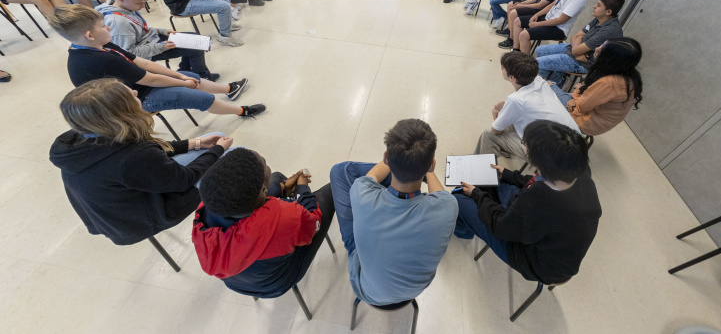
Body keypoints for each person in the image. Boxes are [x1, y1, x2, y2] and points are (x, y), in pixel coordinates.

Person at [50, 78, 234, 245]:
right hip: (143, 219)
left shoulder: (83, 136)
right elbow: (184, 179)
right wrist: (218, 151)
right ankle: (236, 221)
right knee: (234, 155)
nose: (136, 92)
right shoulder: (132, 157)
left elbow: (149, 151)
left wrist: (195, 143)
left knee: (214, 141)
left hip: (117, 215)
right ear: (123, 112)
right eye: (131, 95)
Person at [47, 4, 265, 117]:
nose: (109, 27)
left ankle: (228, 89)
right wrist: (182, 83)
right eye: (104, 26)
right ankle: (242, 111)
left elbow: (143, 63)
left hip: (139, 87)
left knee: (190, 76)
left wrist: (180, 76)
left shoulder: (100, 45)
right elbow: (150, 80)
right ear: (89, 35)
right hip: (134, 103)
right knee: (197, 97)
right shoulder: (97, 60)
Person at [454, 120, 601, 285]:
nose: (525, 146)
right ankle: (478, 207)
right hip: (551, 241)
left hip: (539, 264)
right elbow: (537, 181)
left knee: (457, 200)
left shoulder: (537, 199)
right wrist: (509, 175)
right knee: (488, 180)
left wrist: (478, 195)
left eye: (526, 144)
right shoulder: (578, 172)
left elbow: (501, 227)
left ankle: (464, 232)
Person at [329, 119, 458, 306]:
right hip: (414, 290)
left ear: (386, 158)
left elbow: (372, 175)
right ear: (432, 164)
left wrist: (397, 160)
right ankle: (410, 171)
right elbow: (439, 193)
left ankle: (403, 172)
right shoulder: (449, 207)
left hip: (367, 291)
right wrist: (424, 168)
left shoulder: (361, 193)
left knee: (340, 171)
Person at [192, 148, 337, 298]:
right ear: (263, 191)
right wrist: (303, 188)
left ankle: (282, 188)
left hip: (238, 282)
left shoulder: (206, 209)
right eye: (265, 163)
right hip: (277, 282)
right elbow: (314, 222)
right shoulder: (283, 218)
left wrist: (282, 186)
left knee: (277, 177)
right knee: (334, 188)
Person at [96, 0, 219, 82]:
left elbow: (143, 29)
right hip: (149, 49)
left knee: (194, 37)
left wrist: (162, 31)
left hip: (153, 40)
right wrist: (160, 47)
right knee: (195, 46)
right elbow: (129, 53)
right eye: (139, 4)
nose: (143, 7)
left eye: (144, 3)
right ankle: (201, 79)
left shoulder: (126, 8)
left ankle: (185, 71)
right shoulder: (118, 22)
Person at [475, 51, 580, 166]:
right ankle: (503, 150)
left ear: (512, 77)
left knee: (488, 134)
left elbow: (496, 130)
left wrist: (495, 113)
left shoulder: (516, 100)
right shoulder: (539, 80)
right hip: (575, 147)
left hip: (553, 161)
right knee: (512, 121)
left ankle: (480, 170)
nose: (501, 68)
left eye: (503, 67)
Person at [550, 38, 643, 136]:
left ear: (610, 58)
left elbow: (582, 106)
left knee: (548, 86)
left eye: (602, 49)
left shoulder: (610, 82)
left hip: (587, 121)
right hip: (592, 113)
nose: (597, 49)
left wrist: (578, 91)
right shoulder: (627, 74)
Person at [535, 0, 626, 86]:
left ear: (608, 12)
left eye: (598, 5)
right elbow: (575, 36)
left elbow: (577, 45)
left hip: (585, 63)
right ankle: (560, 78)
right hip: (577, 51)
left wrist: (577, 49)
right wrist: (578, 49)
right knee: (539, 50)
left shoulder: (609, 30)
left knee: (538, 63)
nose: (594, 6)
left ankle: (556, 83)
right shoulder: (599, 19)